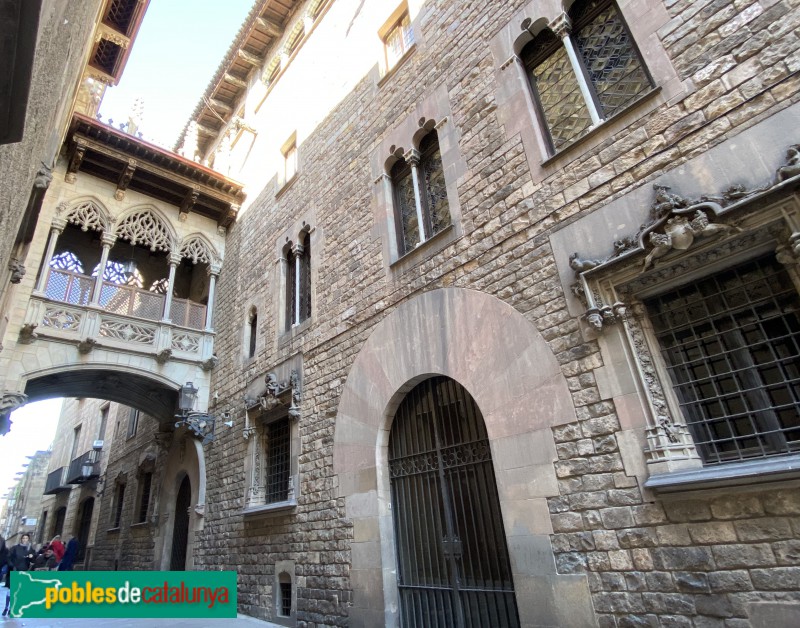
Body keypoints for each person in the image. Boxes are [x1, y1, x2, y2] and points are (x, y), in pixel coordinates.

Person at [5, 533, 36, 617]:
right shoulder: (15, 548)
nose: (25, 540)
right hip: (14, 570)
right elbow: (8, 557)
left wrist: (31, 556)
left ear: (28, 540)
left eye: (26, 538)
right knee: (10, 590)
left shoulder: (30, 549)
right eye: (23, 538)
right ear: (21, 539)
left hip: (23, 570)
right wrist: (11, 565)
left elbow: (34, 559)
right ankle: (6, 607)